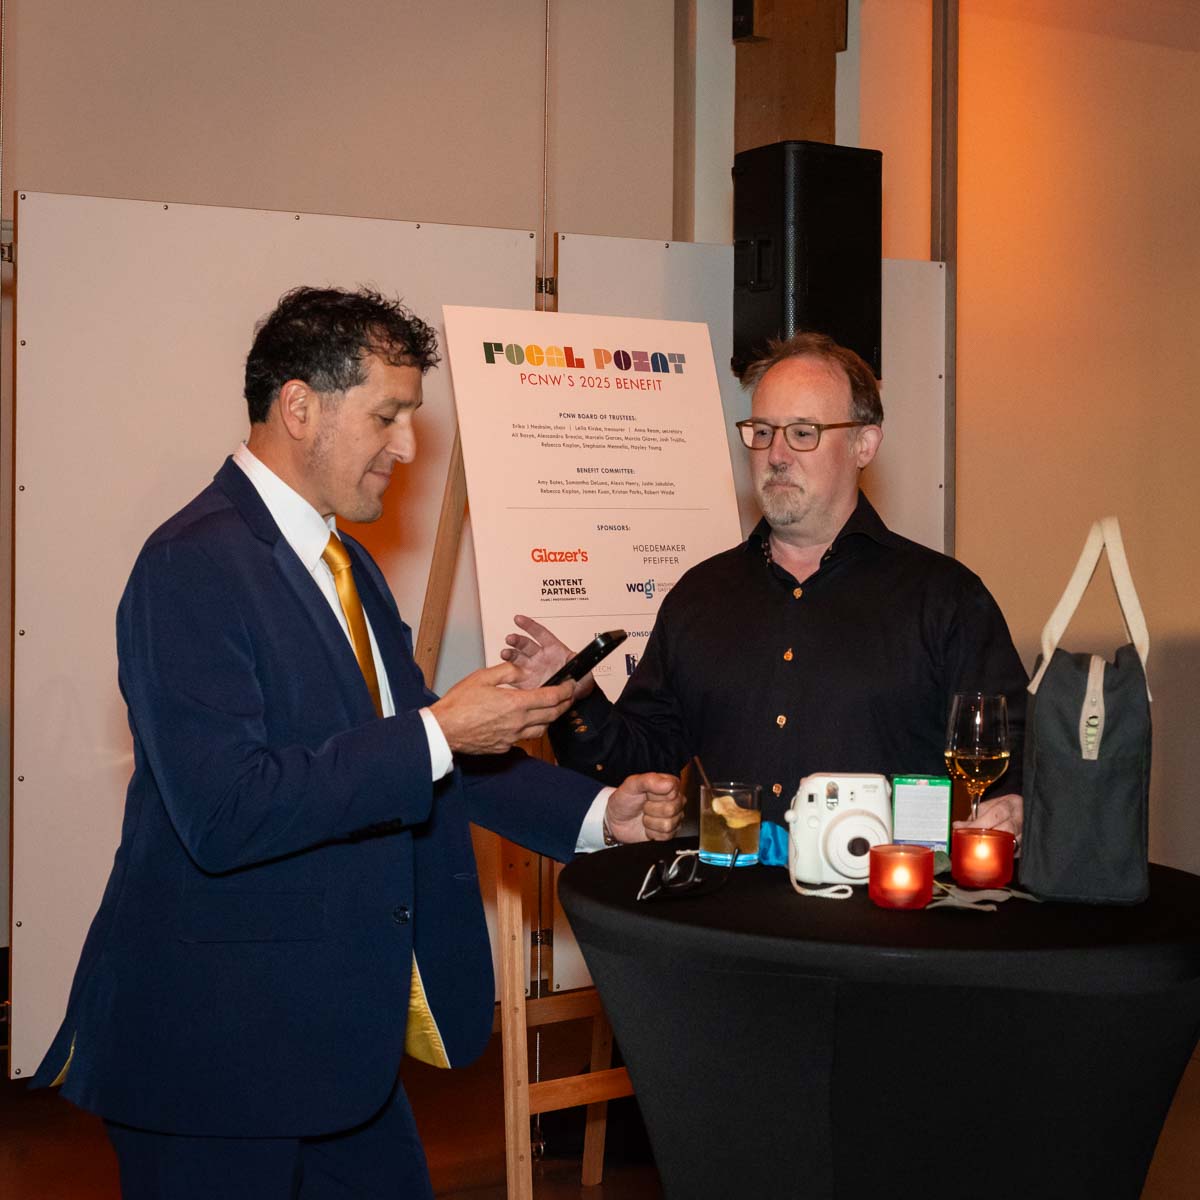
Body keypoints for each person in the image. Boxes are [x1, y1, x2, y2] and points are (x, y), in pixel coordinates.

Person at [31, 286, 683, 1199]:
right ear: (299, 406)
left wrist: (601, 814)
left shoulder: (345, 562)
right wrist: (438, 730)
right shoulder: (191, 563)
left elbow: (428, 755)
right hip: (215, 1056)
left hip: (335, 1045)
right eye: (388, 415)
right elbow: (227, 810)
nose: (408, 447)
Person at [503, 331, 1026, 835]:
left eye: (802, 433)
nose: (776, 454)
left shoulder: (945, 598)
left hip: (882, 895)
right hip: (727, 892)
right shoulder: (700, 597)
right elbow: (637, 764)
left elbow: (1015, 759)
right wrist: (574, 697)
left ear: (864, 444)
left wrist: (1014, 808)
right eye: (762, 432)